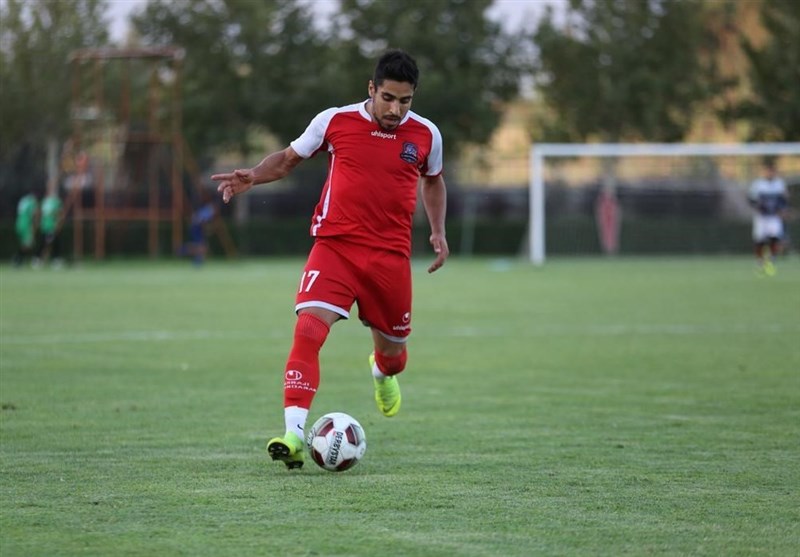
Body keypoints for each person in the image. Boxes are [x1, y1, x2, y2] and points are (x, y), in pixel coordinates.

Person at [211, 49, 449, 470]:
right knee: (308, 329)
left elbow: (433, 182)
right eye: (389, 98)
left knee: (394, 355)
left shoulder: (426, 135)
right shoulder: (335, 121)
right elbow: (287, 159)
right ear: (371, 89)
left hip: (390, 259)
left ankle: (381, 372)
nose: (396, 109)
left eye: (405, 100)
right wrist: (253, 174)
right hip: (335, 247)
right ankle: (294, 434)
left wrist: (437, 230)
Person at [748, 159, 789, 276]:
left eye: (772, 171)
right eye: (768, 171)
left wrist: (783, 210)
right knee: (759, 241)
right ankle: (760, 261)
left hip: (774, 217)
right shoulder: (758, 184)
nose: (770, 173)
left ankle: (771, 260)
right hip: (761, 217)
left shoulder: (779, 184)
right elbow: (751, 199)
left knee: (775, 238)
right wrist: (757, 207)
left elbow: (783, 200)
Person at [13, 186, 42, 268]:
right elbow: (35, 213)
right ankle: (18, 259)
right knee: (28, 244)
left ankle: (20, 260)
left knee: (28, 243)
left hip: (18, 223)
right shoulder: (32, 201)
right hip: (26, 224)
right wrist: (36, 224)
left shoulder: (23, 200)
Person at [39, 182, 65, 268]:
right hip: (45, 227)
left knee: (54, 243)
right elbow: (41, 214)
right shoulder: (44, 201)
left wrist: (58, 224)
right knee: (45, 244)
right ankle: (39, 259)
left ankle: (55, 260)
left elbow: (60, 215)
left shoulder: (57, 202)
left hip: (52, 226)